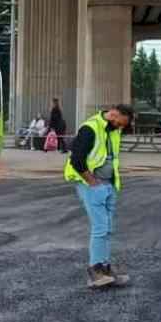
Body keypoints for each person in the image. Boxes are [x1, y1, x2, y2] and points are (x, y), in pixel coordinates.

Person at [65, 103, 134, 288]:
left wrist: (110, 183)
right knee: (100, 228)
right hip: (92, 185)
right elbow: (76, 160)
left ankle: (104, 268)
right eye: (120, 123)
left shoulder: (112, 130)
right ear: (113, 114)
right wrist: (92, 182)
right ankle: (95, 271)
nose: (121, 127)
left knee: (108, 228)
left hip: (109, 184)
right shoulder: (90, 128)